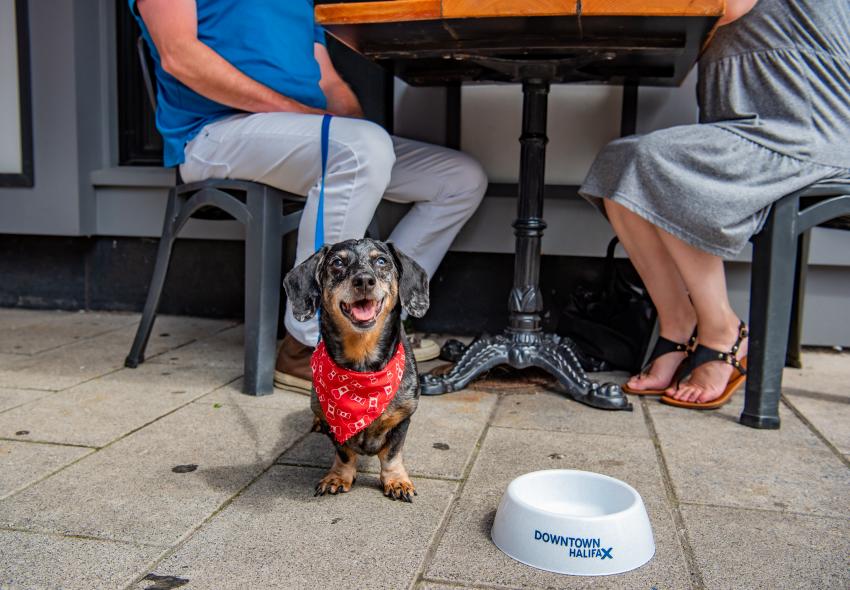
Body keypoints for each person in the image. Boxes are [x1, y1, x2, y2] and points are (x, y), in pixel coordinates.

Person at [131, 0, 488, 392]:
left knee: (459, 179)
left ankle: (375, 324)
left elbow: (328, 82)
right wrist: (340, 136)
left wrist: (358, 134)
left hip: (296, 128)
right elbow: (179, 56)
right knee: (361, 149)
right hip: (213, 132)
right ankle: (309, 343)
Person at [579, 0, 850, 408]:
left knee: (661, 164)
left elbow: (720, 7)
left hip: (805, 126)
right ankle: (679, 323)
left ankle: (724, 332)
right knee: (618, 164)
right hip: (754, 121)